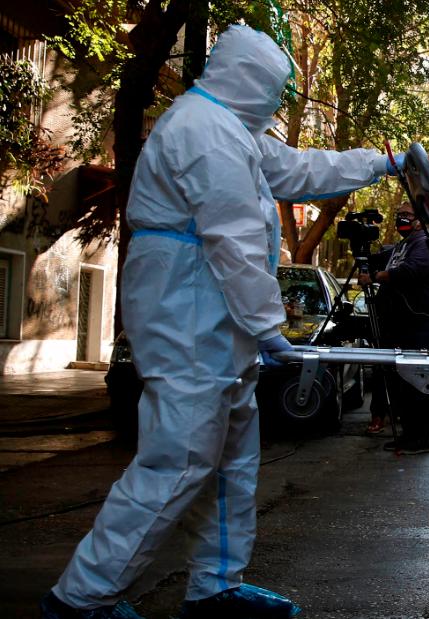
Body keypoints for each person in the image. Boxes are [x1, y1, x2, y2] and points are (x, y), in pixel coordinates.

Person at [40, 26, 400, 619]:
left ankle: (215, 587)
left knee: (233, 457)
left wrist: (382, 162)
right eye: (275, 90)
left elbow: (302, 171)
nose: (278, 102)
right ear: (249, 81)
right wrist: (268, 328)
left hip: (210, 319)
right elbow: (232, 239)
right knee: (177, 460)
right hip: (187, 314)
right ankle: (82, 598)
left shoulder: (234, 129)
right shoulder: (203, 132)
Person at [359, 203, 429, 453]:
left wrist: (376, 277)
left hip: (424, 321)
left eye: (406, 215)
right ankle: (410, 435)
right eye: (398, 214)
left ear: (420, 220)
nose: (401, 219)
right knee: (404, 383)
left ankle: (424, 438)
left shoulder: (424, 241)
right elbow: (384, 260)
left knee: (421, 381)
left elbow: (411, 270)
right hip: (405, 322)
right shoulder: (404, 244)